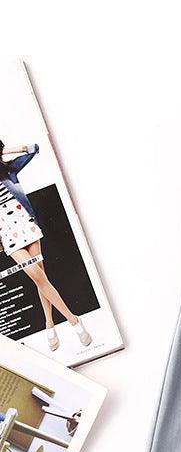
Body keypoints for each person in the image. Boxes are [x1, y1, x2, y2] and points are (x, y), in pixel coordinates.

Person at [0, 139, 91, 350]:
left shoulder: (9, 169)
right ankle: (73, 320)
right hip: (7, 235)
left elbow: (34, 149)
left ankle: (49, 324)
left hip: (26, 224)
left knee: (41, 277)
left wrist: (3, 151)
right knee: (37, 275)